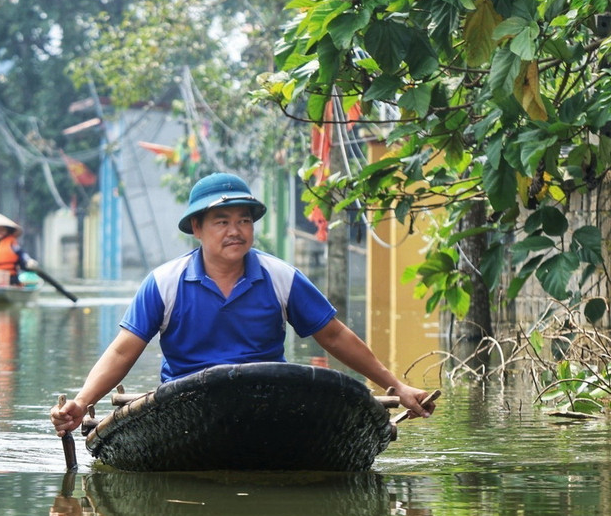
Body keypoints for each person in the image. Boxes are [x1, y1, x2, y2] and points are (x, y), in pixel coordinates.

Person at [51, 172, 435, 437]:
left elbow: (334, 336)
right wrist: (82, 403)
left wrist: (396, 386)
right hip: (185, 407)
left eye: (244, 221)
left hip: (269, 400)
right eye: (221, 221)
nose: (235, 231)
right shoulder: (164, 283)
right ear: (197, 228)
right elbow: (123, 350)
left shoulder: (281, 277)